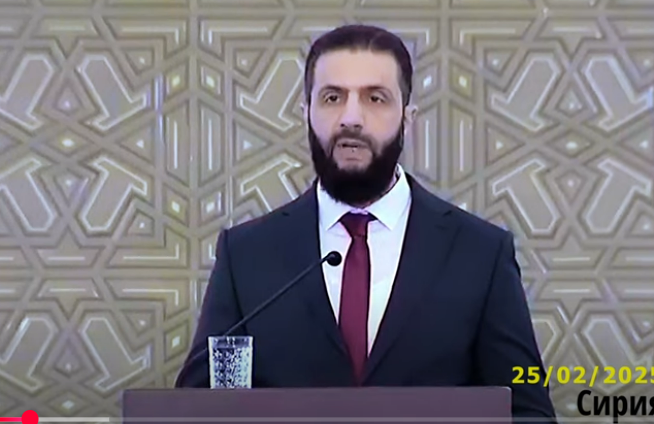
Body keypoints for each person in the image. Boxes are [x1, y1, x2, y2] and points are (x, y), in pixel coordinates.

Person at [176, 24, 557, 421]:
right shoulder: (246, 255)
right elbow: (195, 410)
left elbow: (527, 413)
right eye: (332, 97)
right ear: (306, 114)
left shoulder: (480, 253)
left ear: (407, 118)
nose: (351, 118)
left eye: (375, 98)